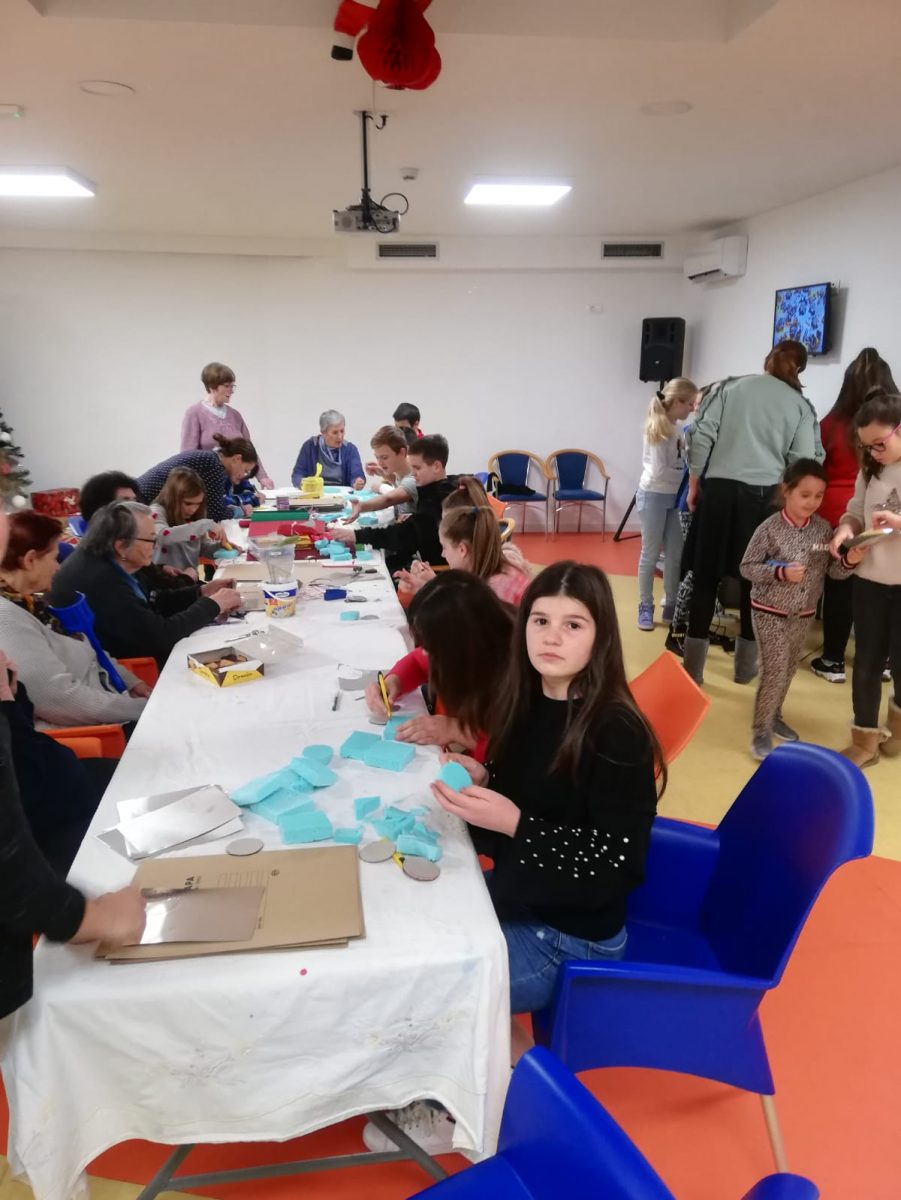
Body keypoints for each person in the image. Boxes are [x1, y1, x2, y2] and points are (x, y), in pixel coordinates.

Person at [362, 562, 661, 1154]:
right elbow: (529, 796)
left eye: (573, 625)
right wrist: (483, 778)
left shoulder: (615, 731)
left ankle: (491, 1105)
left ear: (601, 635)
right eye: (541, 621)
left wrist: (515, 823)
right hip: (526, 895)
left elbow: (615, 868)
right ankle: (481, 1061)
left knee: (430, 983)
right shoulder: (526, 700)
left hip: (572, 935)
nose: (552, 637)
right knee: (408, 935)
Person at [0, 503, 146, 1028]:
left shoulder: (25, 610)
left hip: (59, 791)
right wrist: (89, 917)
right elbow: (11, 867)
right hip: (54, 826)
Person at [683, 339, 824, 687]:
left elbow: (700, 436)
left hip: (718, 491)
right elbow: (804, 460)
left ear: (767, 361)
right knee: (756, 581)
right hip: (765, 500)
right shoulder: (801, 406)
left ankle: (692, 671)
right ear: (800, 369)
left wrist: (695, 482)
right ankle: (745, 670)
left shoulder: (729, 387)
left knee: (705, 579)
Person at [740, 460, 858, 761]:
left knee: (789, 667)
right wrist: (780, 572)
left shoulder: (823, 529)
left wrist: (850, 560)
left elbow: (834, 572)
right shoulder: (769, 529)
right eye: (805, 495)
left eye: (819, 496)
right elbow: (747, 567)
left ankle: (774, 714)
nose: (812, 502)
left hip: (803, 614)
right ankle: (761, 730)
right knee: (775, 669)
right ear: (786, 491)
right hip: (769, 611)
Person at [0, 510, 149, 728]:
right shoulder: (7, 620)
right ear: (30, 560)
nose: (58, 567)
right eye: (53, 558)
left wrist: (131, 681)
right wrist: (146, 709)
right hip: (92, 734)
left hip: (109, 713)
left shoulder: (31, 602)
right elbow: (58, 698)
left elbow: (89, 650)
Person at [49, 502, 241, 667]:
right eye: (151, 539)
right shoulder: (102, 581)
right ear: (121, 545)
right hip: (134, 667)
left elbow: (154, 599)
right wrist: (212, 605)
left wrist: (200, 592)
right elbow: (160, 636)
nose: (155, 545)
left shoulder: (116, 559)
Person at [811, 348, 898, 683]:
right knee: (884, 590)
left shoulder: (831, 424)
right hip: (874, 518)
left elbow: (816, 467)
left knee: (841, 586)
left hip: (838, 513)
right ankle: (886, 659)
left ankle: (833, 659)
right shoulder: (889, 428)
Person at [364, 572, 514, 757]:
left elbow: (515, 754)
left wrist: (456, 730)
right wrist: (394, 681)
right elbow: (417, 662)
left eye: (429, 648)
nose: (424, 653)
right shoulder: (467, 642)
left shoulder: (518, 674)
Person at [829, 389, 901, 768]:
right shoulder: (871, 469)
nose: (873, 453)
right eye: (866, 447)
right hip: (871, 580)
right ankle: (865, 740)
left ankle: (898, 729)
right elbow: (855, 511)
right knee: (867, 661)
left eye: (879, 444)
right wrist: (846, 531)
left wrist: (898, 523)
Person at [394, 476, 532, 606]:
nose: (442, 554)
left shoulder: (495, 587)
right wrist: (430, 585)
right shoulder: (487, 565)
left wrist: (430, 587)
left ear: (462, 549)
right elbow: (463, 602)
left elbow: (464, 614)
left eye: (445, 547)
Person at [331, 434, 455, 574]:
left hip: (434, 571)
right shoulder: (442, 487)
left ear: (437, 466)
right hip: (422, 559)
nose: (413, 473)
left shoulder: (436, 499)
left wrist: (357, 535)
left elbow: (403, 535)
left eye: (417, 468)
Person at [636, 378, 698, 631]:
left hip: (674, 496)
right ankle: (645, 606)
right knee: (650, 553)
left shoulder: (679, 429)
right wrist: (686, 472)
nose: (692, 408)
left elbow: (677, 466)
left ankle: (671, 604)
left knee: (675, 554)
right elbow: (660, 471)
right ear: (677, 402)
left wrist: (685, 472)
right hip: (653, 495)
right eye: (690, 403)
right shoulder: (658, 428)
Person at [180, 361, 273, 488]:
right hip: (207, 484)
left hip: (235, 483)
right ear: (212, 386)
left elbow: (249, 451)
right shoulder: (194, 413)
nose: (231, 390)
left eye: (232, 386)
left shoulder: (235, 415)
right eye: (227, 386)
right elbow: (187, 457)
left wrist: (263, 477)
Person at [136, 434, 258, 524]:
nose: (244, 475)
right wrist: (241, 511)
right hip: (143, 501)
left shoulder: (211, 459)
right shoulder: (214, 466)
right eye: (245, 470)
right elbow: (214, 513)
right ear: (237, 459)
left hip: (141, 494)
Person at [150, 467, 225, 577]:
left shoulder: (194, 517)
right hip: (164, 582)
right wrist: (205, 524)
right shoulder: (156, 511)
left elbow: (203, 548)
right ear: (173, 498)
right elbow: (163, 537)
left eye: (198, 504)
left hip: (189, 580)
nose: (193, 509)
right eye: (188, 503)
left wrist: (220, 547)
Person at [351, 425, 417, 519]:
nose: (380, 463)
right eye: (377, 457)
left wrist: (361, 506)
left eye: (384, 457)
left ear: (402, 452)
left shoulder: (414, 476)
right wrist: (384, 473)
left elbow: (389, 499)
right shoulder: (403, 470)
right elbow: (400, 481)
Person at [291, 410, 365, 490]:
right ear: (323, 432)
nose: (340, 436)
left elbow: (357, 473)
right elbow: (298, 473)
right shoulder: (310, 446)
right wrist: (302, 483)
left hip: (341, 495)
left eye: (342, 431)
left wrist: (357, 482)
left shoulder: (350, 449)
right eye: (335, 432)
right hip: (315, 493)